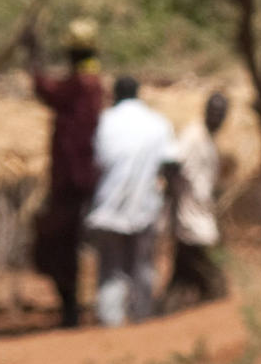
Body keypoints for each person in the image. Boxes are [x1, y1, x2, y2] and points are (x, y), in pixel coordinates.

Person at [28, 23, 108, 330]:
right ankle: (72, 307)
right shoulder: (91, 84)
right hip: (76, 180)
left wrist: (33, 54)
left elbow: (46, 89)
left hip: (72, 182)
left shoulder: (82, 86)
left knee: (59, 244)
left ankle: (71, 309)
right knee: (65, 245)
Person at [86, 73, 174, 327]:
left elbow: (96, 163)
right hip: (144, 206)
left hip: (108, 207)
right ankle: (142, 320)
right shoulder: (158, 123)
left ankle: (111, 322)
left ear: (114, 95)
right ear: (138, 93)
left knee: (111, 269)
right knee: (142, 267)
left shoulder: (104, 122)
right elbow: (171, 164)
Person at [163, 90, 232, 311]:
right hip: (190, 218)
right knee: (212, 276)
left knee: (183, 276)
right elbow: (171, 164)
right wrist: (174, 202)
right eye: (213, 111)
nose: (217, 117)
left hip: (199, 214)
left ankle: (164, 315)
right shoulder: (193, 135)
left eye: (221, 113)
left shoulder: (207, 139)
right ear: (205, 110)